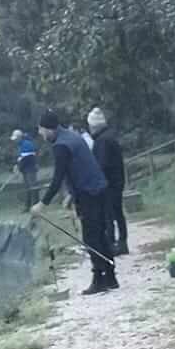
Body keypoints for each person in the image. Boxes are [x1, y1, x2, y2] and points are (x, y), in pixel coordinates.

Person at [33, 107, 117, 294]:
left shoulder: (61, 145)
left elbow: (58, 177)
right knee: (100, 234)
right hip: (99, 188)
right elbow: (78, 167)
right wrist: (71, 194)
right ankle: (111, 277)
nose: (40, 133)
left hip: (89, 193)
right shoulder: (72, 136)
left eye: (40, 129)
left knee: (91, 237)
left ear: (48, 129)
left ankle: (99, 279)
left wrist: (42, 204)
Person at [87, 107, 128, 256]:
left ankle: (110, 244)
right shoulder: (109, 137)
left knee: (108, 215)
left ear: (93, 126)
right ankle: (122, 242)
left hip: (108, 184)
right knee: (118, 213)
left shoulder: (102, 141)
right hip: (117, 181)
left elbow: (101, 164)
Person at [10, 128, 39, 208]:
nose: (14, 141)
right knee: (27, 188)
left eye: (15, 139)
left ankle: (36, 205)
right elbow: (20, 157)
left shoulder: (27, 144)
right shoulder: (20, 145)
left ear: (20, 137)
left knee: (33, 187)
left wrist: (18, 168)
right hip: (25, 169)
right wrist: (16, 166)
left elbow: (26, 159)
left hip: (30, 169)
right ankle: (28, 206)